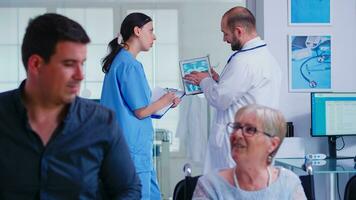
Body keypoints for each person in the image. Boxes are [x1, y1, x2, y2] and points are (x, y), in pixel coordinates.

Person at [0, 13, 141, 199]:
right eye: (69, 64)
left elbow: (128, 190)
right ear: (36, 64)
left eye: (82, 64)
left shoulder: (101, 122)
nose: (80, 75)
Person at [184, 6, 282, 173]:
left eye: (225, 33)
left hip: (239, 144)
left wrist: (204, 80)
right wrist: (218, 81)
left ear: (238, 31)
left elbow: (219, 99)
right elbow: (244, 93)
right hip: (258, 140)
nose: (224, 39)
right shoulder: (268, 59)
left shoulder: (244, 61)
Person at [100, 12, 180, 200]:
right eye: (151, 31)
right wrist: (165, 100)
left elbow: (134, 107)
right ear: (137, 31)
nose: (154, 37)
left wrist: (164, 103)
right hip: (132, 151)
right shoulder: (130, 65)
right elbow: (141, 111)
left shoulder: (119, 62)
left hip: (129, 149)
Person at [192, 104, 307, 200]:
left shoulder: (288, 183)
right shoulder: (210, 185)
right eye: (236, 127)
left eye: (250, 129)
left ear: (272, 144)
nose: (237, 134)